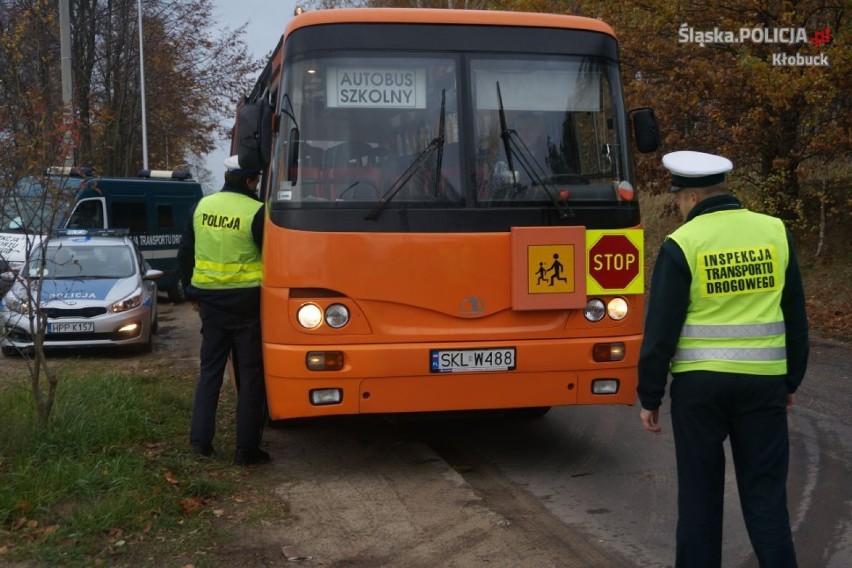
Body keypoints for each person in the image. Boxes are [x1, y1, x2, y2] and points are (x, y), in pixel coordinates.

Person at [637, 151, 809, 567]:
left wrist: (650, 396)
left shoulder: (684, 243)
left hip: (700, 390)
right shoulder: (773, 232)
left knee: (699, 498)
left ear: (693, 198)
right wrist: (789, 382)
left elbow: (661, 330)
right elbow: (795, 316)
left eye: (678, 199)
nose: (678, 207)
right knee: (766, 497)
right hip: (762, 384)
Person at [177, 154, 269, 467]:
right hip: (247, 305)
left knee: (210, 374)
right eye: (256, 180)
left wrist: (191, 292)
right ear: (249, 180)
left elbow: (185, 253)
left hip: (211, 305)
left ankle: (200, 444)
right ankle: (246, 450)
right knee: (250, 377)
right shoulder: (257, 212)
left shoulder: (201, 207)